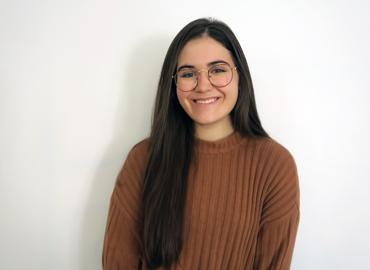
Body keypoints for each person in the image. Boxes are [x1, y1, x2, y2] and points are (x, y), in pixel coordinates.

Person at [102, 17, 300, 270]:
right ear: (174, 84)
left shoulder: (275, 165)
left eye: (217, 69)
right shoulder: (143, 158)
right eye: (188, 74)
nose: (203, 86)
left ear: (240, 76)